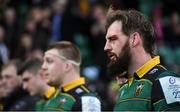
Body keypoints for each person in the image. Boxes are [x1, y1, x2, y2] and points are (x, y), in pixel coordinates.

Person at [104, 9, 180, 111]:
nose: (106, 47)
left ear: (134, 39)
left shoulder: (165, 82)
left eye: (113, 39)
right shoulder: (124, 88)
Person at [41, 41, 101, 111]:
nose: (43, 67)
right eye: (43, 62)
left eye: (49, 61)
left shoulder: (86, 100)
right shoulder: (52, 96)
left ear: (67, 66)